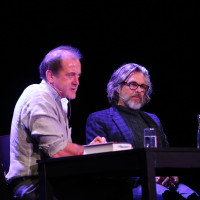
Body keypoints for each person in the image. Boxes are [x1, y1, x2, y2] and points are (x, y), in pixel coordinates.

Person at [86, 63, 200, 200]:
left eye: (143, 86)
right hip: (128, 187)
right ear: (117, 88)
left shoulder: (153, 120)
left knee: (193, 197)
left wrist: (173, 174)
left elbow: (167, 155)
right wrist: (147, 176)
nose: (139, 90)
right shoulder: (99, 119)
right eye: (133, 85)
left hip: (163, 183)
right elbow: (100, 165)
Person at [6, 45, 105, 200]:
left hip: (54, 179)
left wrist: (88, 149)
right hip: (34, 185)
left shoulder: (59, 101)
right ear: (51, 76)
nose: (77, 82)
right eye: (71, 75)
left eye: (78, 76)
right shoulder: (39, 96)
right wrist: (94, 151)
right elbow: (58, 151)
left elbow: (62, 150)